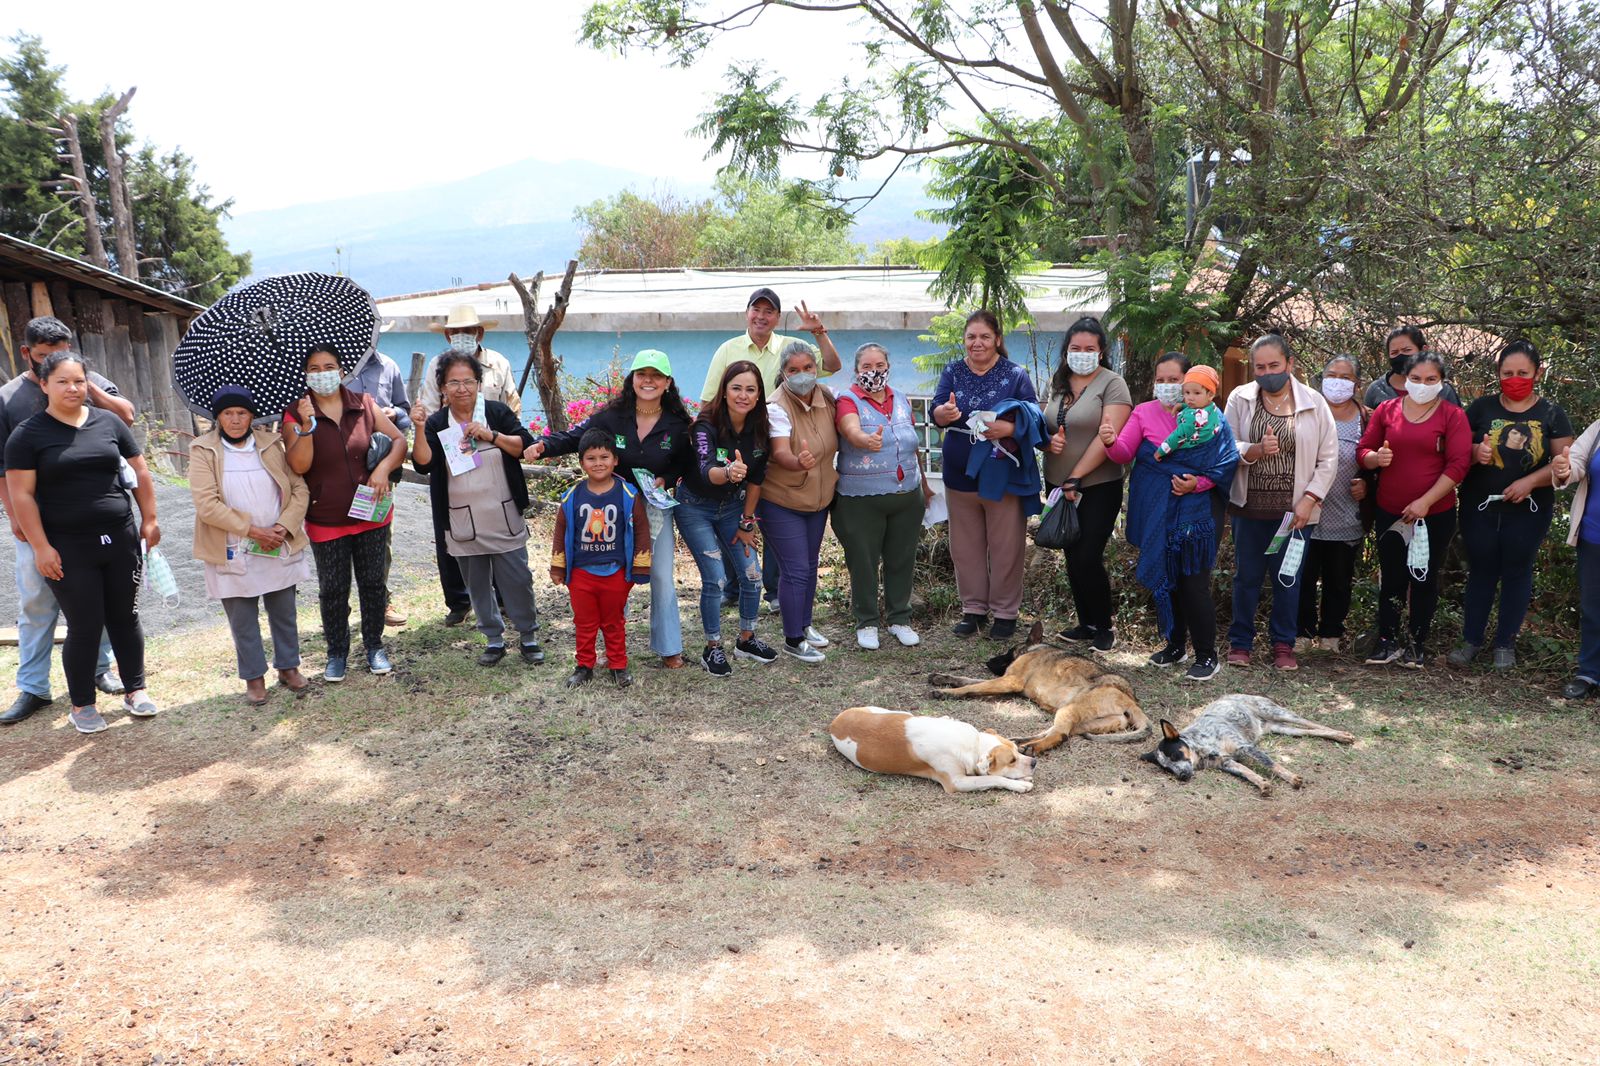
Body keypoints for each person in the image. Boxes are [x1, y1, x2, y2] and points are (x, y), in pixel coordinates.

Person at [2, 351, 161, 734]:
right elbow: (21, 495)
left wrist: (150, 518)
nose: (72, 388)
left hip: (120, 537)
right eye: (62, 381)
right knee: (85, 623)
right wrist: (41, 547)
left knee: (125, 617)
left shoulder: (107, 421)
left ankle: (135, 690)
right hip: (68, 546)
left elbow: (138, 468)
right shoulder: (28, 434)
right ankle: (82, 705)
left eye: (78, 381)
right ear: (43, 385)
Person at [530, 349, 693, 668]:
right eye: (642, 374)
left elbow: (685, 463)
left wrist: (666, 478)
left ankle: (670, 648)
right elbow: (578, 438)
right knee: (616, 577)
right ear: (632, 379)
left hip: (655, 510)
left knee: (659, 575)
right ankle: (612, 649)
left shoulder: (678, 424)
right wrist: (543, 446)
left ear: (667, 383)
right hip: (613, 510)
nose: (649, 380)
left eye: (656, 375)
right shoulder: (612, 417)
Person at [700, 288, 840, 612]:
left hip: (778, 442)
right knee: (731, 512)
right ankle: (734, 585)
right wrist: (703, 446)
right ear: (747, 312)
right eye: (756, 310)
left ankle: (776, 590)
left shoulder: (791, 349)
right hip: (735, 444)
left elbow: (832, 365)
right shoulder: (728, 349)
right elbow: (709, 401)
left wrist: (819, 332)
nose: (761, 316)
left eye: (769, 311)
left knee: (776, 511)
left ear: (777, 317)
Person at [1104, 352, 1238, 680]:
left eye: (1174, 381)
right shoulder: (1143, 412)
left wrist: (1198, 483)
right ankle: (1175, 646)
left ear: (1191, 382)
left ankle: (1207, 654)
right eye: (1160, 380)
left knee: (1194, 582)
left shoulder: (1211, 418)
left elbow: (1227, 460)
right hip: (1158, 508)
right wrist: (1109, 441)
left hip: (1198, 506)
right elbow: (1125, 452)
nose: (1167, 387)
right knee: (1169, 577)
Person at [410, 351, 544, 668]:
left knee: (518, 578)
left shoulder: (496, 413)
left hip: (503, 513)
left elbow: (524, 446)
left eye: (468, 381)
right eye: (453, 382)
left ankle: (528, 636)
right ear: (442, 387)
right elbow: (423, 463)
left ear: (479, 383)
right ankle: (494, 640)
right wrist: (418, 428)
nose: (461, 388)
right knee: (477, 583)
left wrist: (491, 435)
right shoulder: (437, 422)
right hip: (461, 517)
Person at [284, 344, 408, 680]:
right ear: (306, 374)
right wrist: (307, 426)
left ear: (342, 370)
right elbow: (298, 464)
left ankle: (374, 646)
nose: (322, 374)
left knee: (372, 584)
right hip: (326, 518)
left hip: (372, 513)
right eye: (315, 368)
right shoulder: (295, 414)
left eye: (329, 367)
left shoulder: (363, 404)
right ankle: (336, 652)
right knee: (333, 589)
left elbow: (399, 442)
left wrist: (382, 470)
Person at [1449, 340, 1572, 670]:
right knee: (1481, 572)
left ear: (1537, 373)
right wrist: (1475, 453)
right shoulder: (1480, 408)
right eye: (1507, 373)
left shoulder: (1551, 413)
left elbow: (1565, 463)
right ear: (1497, 374)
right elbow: (1454, 449)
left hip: (1529, 512)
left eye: (1522, 373)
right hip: (1479, 508)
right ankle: (1471, 641)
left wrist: (1531, 481)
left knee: (1517, 572)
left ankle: (1505, 645)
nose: (1514, 378)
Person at [189, 386, 312, 704]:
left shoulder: (272, 444)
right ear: (218, 417)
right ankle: (254, 677)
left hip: (277, 540)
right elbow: (207, 505)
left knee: (283, 611)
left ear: (251, 415)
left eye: (241, 413)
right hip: (233, 544)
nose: (235, 419)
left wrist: (283, 527)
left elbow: (299, 489)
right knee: (242, 617)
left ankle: (288, 666)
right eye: (228, 413)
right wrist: (253, 531)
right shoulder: (203, 450)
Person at [1222, 334, 1339, 672]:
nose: (1267, 372)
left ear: (1290, 364)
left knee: (1288, 578)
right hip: (1250, 508)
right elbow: (1226, 445)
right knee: (1247, 578)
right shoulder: (1240, 399)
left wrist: (1310, 500)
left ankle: (1283, 645)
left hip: (1296, 512)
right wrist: (1254, 450)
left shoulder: (1314, 403)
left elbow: (1328, 459)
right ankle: (1241, 642)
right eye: (1260, 366)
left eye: (1274, 365)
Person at [930, 309, 1044, 641]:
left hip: (1001, 472)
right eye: (970, 337)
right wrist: (944, 412)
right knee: (966, 547)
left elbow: (1033, 414)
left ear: (997, 339)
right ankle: (974, 611)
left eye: (984, 336)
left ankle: (1006, 614)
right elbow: (937, 411)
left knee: (1006, 545)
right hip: (959, 474)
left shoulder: (1015, 374)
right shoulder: (952, 371)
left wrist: (1007, 426)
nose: (976, 343)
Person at [1357, 350, 1471, 669]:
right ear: (1405, 379)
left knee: (1423, 578)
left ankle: (1416, 644)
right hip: (1390, 511)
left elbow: (1459, 464)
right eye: (1416, 379)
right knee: (1392, 577)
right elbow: (1363, 450)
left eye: (1431, 379)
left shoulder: (1452, 415)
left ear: (1442, 382)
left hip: (1433, 515)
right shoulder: (1387, 410)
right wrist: (1374, 459)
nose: (1422, 385)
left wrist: (1425, 502)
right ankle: (1387, 641)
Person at [416, 305, 522, 626]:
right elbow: (431, 412)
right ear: (447, 335)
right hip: (450, 458)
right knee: (450, 526)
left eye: (469, 331)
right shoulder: (437, 366)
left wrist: (494, 436)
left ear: (480, 333)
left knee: (499, 521)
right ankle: (459, 601)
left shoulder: (499, 363)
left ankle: (503, 598)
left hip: (494, 455)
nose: (461, 337)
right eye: (455, 332)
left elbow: (512, 407)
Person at [675, 360, 777, 676]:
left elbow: (757, 480)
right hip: (694, 507)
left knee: (752, 575)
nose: (743, 395)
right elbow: (707, 471)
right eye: (736, 388)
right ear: (724, 391)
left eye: (750, 389)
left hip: (734, 509)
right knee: (716, 578)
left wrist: (747, 522)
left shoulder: (761, 431)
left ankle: (746, 639)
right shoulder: (706, 425)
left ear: (759, 395)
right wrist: (730, 472)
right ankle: (712, 648)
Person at [1039, 317, 1133, 651]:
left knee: (1088, 555)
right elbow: (1048, 423)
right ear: (1066, 351)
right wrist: (1047, 441)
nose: (1081, 354)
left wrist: (1076, 477)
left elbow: (1107, 437)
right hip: (1057, 485)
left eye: (1089, 348)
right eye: (1075, 348)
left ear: (1101, 351)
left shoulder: (1113, 383)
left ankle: (1105, 626)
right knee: (1070, 551)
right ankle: (1086, 623)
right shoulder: (1060, 382)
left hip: (1097, 485)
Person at [833, 342, 933, 649]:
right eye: (866, 367)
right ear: (856, 370)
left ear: (888, 366)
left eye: (879, 365)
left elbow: (914, 445)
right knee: (863, 561)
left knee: (901, 559)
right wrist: (864, 439)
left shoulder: (901, 398)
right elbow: (850, 430)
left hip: (907, 496)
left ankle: (899, 619)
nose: (873, 372)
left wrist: (925, 486)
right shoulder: (848, 399)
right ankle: (866, 622)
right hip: (861, 500)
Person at [549, 429, 652, 688]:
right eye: (591, 458)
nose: (598, 463)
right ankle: (584, 665)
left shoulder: (628, 495)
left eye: (604, 457)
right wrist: (558, 566)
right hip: (581, 573)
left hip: (615, 573)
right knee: (584, 622)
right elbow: (561, 531)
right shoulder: (572, 497)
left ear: (615, 460)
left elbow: (641, 529)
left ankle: (618, 665)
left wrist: (640, 567)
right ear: (582, 462)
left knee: (613, 622)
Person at [760, 340, 839, 663]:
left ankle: (804, 626)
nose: (802, 375)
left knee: (808, 567)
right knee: (794, 570)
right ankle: (793, 639)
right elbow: (779, 451)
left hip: (817, 500)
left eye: (808, 368)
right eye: (794, 370)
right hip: (781, 499)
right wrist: (797, 462)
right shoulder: (775, 406)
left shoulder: (827, 398)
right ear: (783, 373)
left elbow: (838, 363)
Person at [1295, 355, 1374, 652]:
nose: (1338, 381)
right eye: (1332, 374)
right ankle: (1301, 633)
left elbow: (1377, 463)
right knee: (1302, 577)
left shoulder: (1367, 418)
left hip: (1346, 516)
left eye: (1345, 376)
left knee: (1339, 581)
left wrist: (1368, 485)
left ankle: (1331, 635)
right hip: (1307, 513)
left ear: (1357, 383)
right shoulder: (1307, 412)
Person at [347, 346, 413, 628]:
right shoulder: (329, 368)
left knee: (380, 535)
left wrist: (393, 413)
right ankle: (340, 607)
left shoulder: (389, 366)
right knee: (338, 539)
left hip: (379, 468)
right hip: (341, 467)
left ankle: (380, 602)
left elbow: (406, 412)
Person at [1554, 423, 1600, 698]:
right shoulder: (1599, 428)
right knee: (1593, 609)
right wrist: (1565, 469)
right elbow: (1577, 460)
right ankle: (1589, 673)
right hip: (1594, 536)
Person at [1364, 326, 1463, 409]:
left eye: (1407, 350)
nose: (1400, 356)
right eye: (1394, 352)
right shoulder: (1376, 389)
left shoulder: (1442, 390)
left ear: (1423, 350)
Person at [1155, 365, 1222, 458]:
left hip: (1193, 453)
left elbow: (1178, 435)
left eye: (1197, 393)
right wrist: (1183, 406)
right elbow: (1198, 409)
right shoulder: (1211, 407)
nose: (1190, 397)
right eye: (1187, 392)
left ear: (1210, 394)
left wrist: (1161, 451)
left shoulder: (1193, 417)